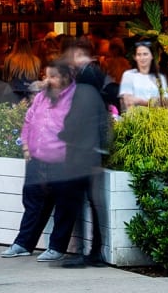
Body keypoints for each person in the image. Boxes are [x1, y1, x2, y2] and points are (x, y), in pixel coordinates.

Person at [2, 61, 75, 260]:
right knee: (33, 200)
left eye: (53, 76)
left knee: (63, 204)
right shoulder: (42, 97)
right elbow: (29, 120)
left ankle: (57, 247)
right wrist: (26, 146)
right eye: (47, 75)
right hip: (37, 157)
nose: (47, 80)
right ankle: (23, 243)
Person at [57, 59, 111, 269]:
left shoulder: (79, 94)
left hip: (78, 157)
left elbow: (72, 124)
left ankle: (79, 252)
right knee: (96, 205)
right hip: (94, 157)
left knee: (77, 205)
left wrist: (62, 134)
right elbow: (104, 126)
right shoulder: (99, 97)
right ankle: (97, 251)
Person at [117, 41, 166, 108]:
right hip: (134, 117)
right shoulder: (128, 75)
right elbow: (127, 101)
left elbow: (164, 102)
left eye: (145, 54)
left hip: (157, 117)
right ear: (135, 57)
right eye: (139, 54)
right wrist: (151, 102)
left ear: (152, 56)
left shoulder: (160, 78)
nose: (142, 58)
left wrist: (139, 101)